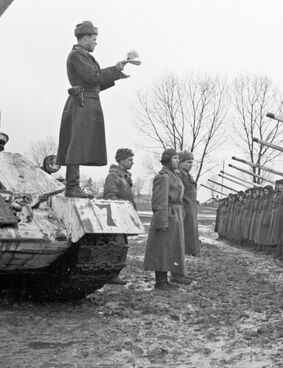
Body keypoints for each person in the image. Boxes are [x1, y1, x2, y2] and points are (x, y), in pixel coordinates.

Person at [57, 21, 129, 198]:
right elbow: (93, 77)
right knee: (76, 146)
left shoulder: (81, 55)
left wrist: (116, 73)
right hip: (82, 104)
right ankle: (72, 187)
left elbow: (94, 84)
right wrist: (115, 69)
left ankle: (73, 186)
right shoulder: (77, 55)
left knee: (78, 145)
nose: (96, 42)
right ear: (86, 37)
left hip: (85, 102)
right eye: (94, 38)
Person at [143, 149, 189, 290]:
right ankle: (160, 281)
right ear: (167, 159)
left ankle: (167, 279)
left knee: (172, 248)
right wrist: (162, 220)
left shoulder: (173, 176)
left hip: (175, 215)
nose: (177, 161)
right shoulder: (163, 177)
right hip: (167, 215)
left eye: (178, 158)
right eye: (174, 158)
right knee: (162, 248)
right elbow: (159, 201)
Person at [102, 148, 135, 285]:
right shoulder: (114, 176)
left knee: (122, 245)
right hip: (116, 217)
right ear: (121, 160)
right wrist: (121, 209)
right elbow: (109, 196)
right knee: (116, 245)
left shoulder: (125, 176)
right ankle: (110, 275)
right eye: (130, 160)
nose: (132, 163)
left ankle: (114, 274)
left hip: (123, 216)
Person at [178, 151, 199, 256]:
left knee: (191, 234)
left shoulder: (189, 176)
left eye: (192, 162)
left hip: (191, 209)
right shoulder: (178, 176)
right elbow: (178, 195)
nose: (191, 165)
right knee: (183, 236)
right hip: (184, 210)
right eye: (188, 162)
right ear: (180, 162)